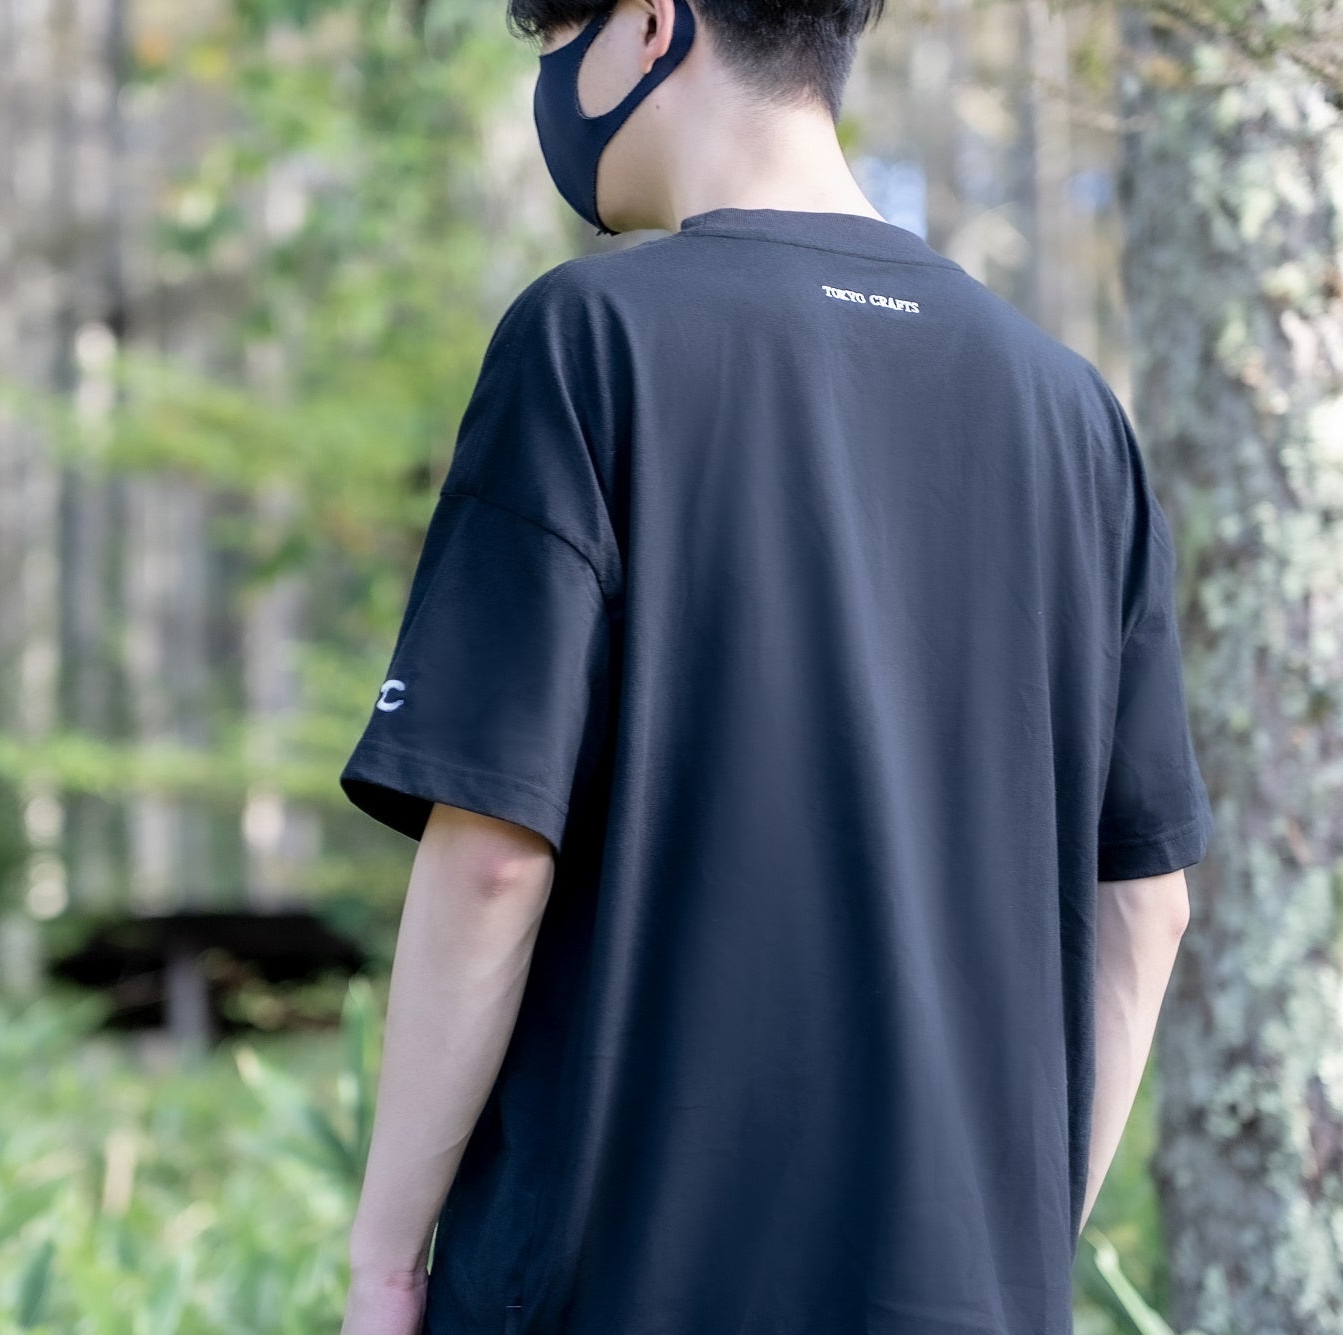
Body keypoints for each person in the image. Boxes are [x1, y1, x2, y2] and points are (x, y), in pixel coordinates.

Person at [334, 0, 1213, 1328]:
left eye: (551, 41)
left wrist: (386, 1264)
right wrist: (1012, 1250)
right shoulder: (1072, 409)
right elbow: (1146, 902)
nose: (549, 87)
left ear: (650, 23)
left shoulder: (590, 341)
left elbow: (496, 854)